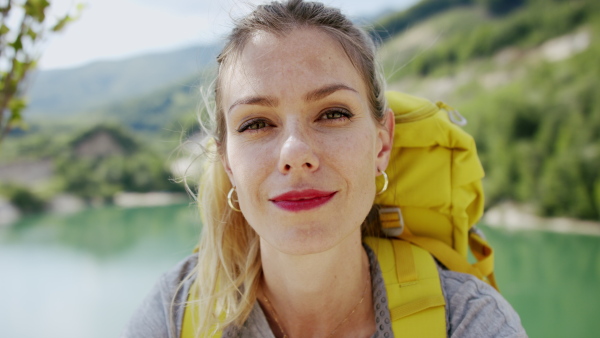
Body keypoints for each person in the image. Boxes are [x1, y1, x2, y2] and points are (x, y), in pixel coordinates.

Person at [122, 0, 527, 337]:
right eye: (257, 123)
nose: (296, 153)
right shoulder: (175, 313)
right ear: (227, 159)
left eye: (332, 113)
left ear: (381, 144)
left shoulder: (469, 321)